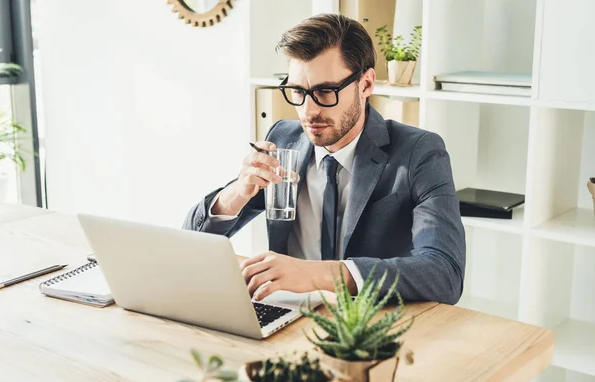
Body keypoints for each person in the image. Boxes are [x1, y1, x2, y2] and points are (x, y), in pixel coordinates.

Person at [183, 14, 465, 305]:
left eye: (324, 92)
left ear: (366, 84)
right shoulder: (282, 138)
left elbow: (445, 274)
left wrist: (318, 275)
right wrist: (237, 193)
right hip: (289, 315)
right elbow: (191, 240)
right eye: (298, 92)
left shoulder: (418, 151)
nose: (308, 111)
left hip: (369, 325)